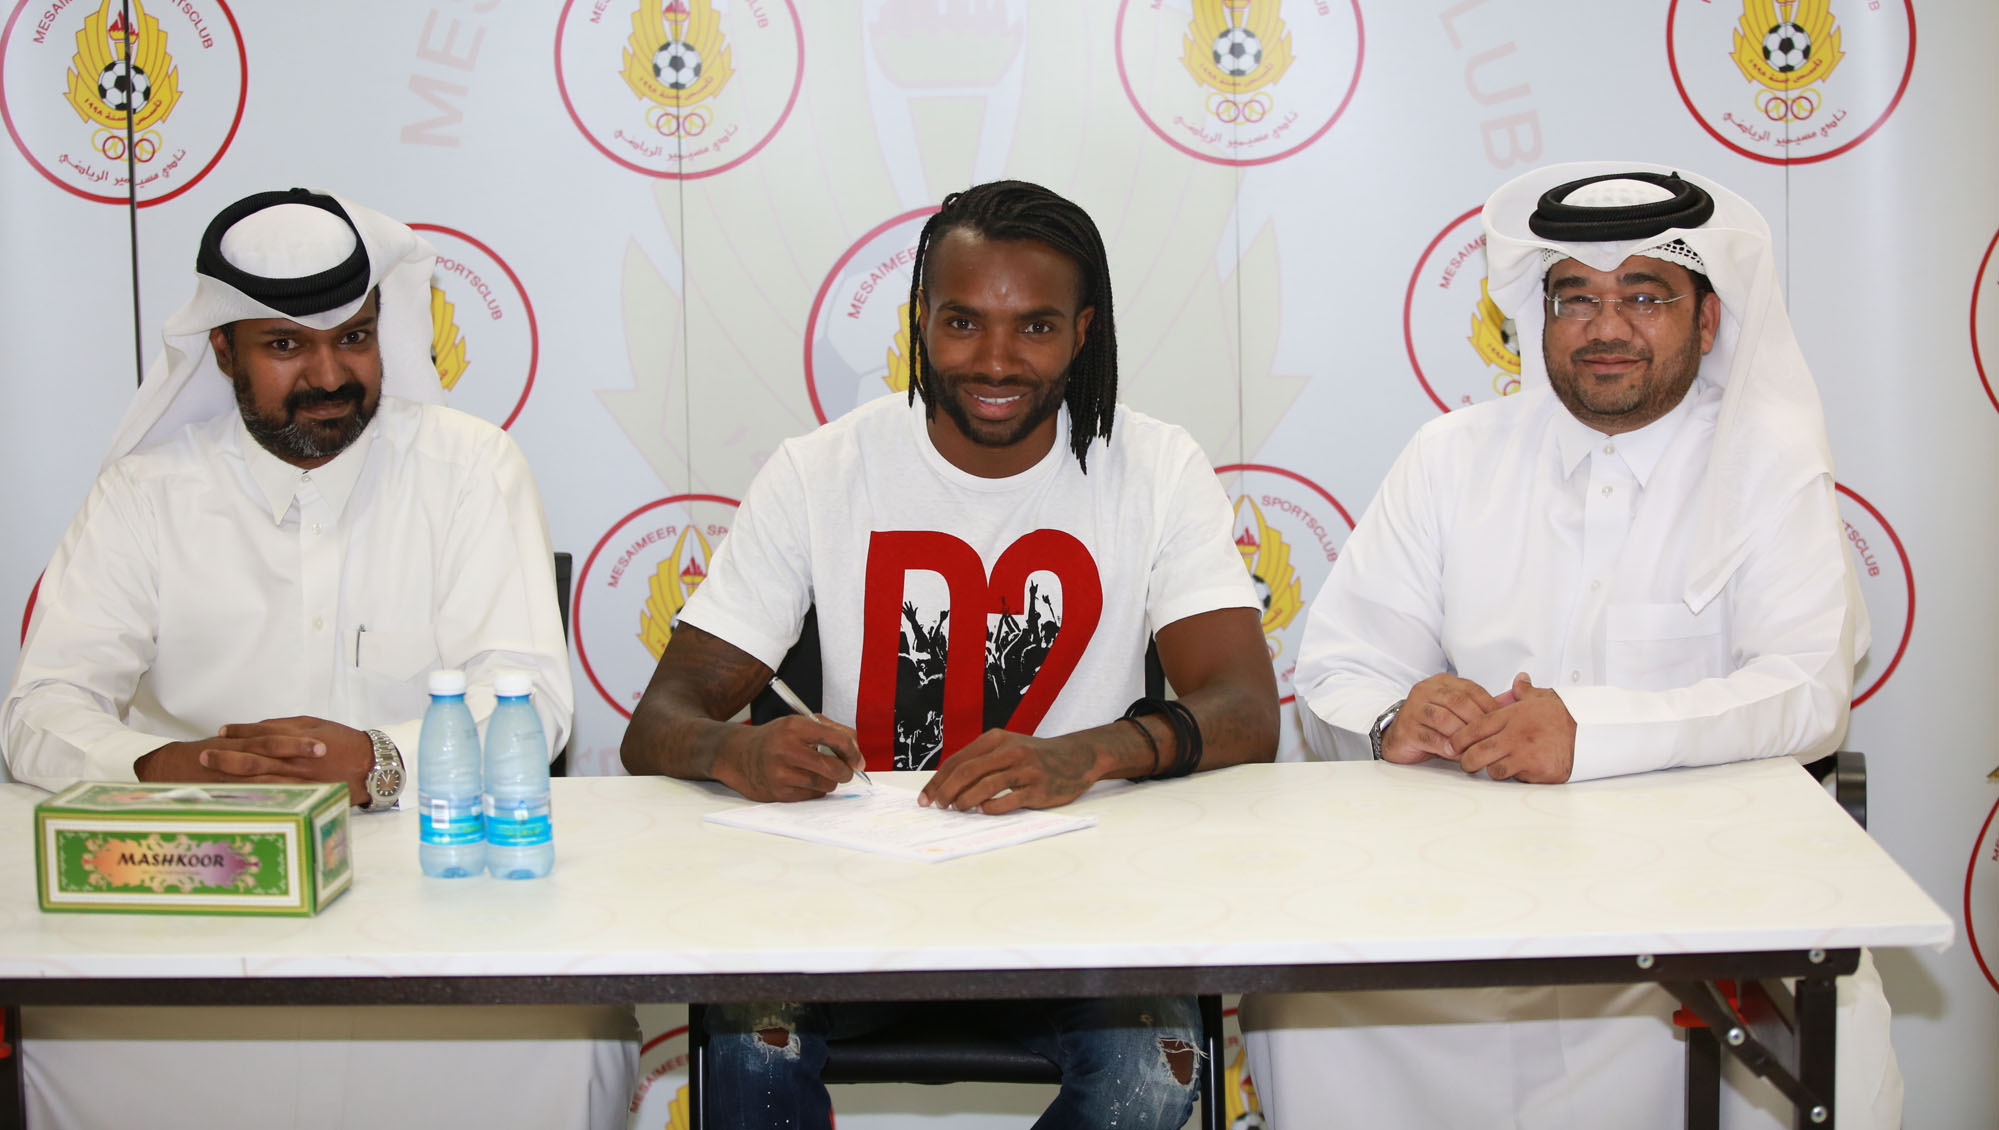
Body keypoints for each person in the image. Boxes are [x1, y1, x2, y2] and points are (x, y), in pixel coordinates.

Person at [1240, 163, 1897, 1129]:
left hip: (1701, 894)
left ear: (1707, 322)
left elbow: (1804, 693)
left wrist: (1588, 734)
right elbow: (1342, 668)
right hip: (1466, 894)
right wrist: (1393, 718)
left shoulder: (1769, 466)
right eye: (1574, 298)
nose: (1605, 327)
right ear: (1537, 317)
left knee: (1810, 1031)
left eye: (1645, 296)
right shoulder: (1451, 458)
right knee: (1309, 1007)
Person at [621, 179, 1279, 1129]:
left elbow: (1246, 711)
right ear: (919, 322)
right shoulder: (820, 471)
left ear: (1083, 333)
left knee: (1154, 1074)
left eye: (1035, 327)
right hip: (846, 901)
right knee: (747, 1054)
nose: (995, 359)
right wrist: (735, 750)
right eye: (963, 322)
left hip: (1081, 902)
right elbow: (659, 722)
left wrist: (1086, 753)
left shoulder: (1155, 467)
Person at [2, 188, 637, 1130]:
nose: (330, 374)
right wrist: (162, 769)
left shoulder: (470, 469)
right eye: (286, 345)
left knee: (553, 1048)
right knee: (89, 1044)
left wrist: (378, 761)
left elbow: (531, 699)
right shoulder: (144, 495)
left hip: (426, 876)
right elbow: (42, 709)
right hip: (197, 883)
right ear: (223, 350)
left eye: (356, 338)